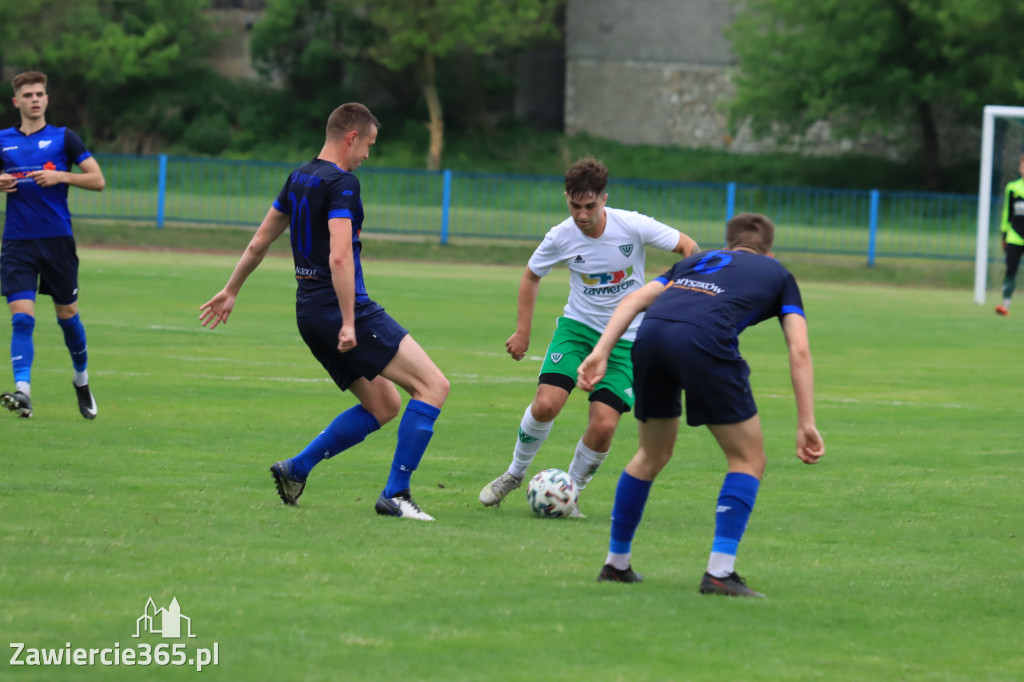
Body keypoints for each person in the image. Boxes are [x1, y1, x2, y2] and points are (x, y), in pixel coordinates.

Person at [199, 103, 449, 521]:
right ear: (352, 137)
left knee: (384, 405)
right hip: (339, 311)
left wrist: (231, 289)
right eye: (368, 145)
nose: (367, 155)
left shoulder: (298, 176)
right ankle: (396, 494)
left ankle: (296, 469)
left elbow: (260, 241)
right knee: (433, 386)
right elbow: (339, 258)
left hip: (308, 312)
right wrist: (351, 321)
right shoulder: (342, 183)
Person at [577, 212, 825, 597]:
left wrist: (601, 351)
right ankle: (719, 572)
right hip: (704, 342)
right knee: (748, 460)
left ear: (728, 246)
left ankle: (616, 563)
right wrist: (806, 421)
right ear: (770, 253)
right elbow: (800, 350)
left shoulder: (696, 261)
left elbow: (637, 298)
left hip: (651, 336)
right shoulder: (779, 275)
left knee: (650, 454)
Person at [478, 157, 699, 515]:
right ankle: (514, 474)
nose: (582, 215)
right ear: (567, 198)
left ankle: (570, 494)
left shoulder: (633, 226)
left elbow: (690, 248)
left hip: (627, 341)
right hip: (577, 329)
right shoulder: (560, 236)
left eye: (590, 206)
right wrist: (522, 331)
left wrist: (676, 293)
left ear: (604, 199)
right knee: (547, 403)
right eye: (575, 205)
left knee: (603, 425)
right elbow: (532, 275)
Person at [0, 71, 105, 419]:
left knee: (67, 316)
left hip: (57, 241)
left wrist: (61, 175)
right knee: (22, 319)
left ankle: (81, 380)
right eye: (27, 94)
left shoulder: (65, 139)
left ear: (46, 99)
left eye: (40, 93)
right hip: (17, 242)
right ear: (16, 102)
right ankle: (23, 392)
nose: (34, 99)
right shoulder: (3, 141)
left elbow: (98, 180)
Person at [995, 151, 1024, 316]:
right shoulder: (1013, 188)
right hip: (1014, 236)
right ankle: (1005, 304)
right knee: (1010, 269)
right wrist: (1004, 234)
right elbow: (1007, 212)